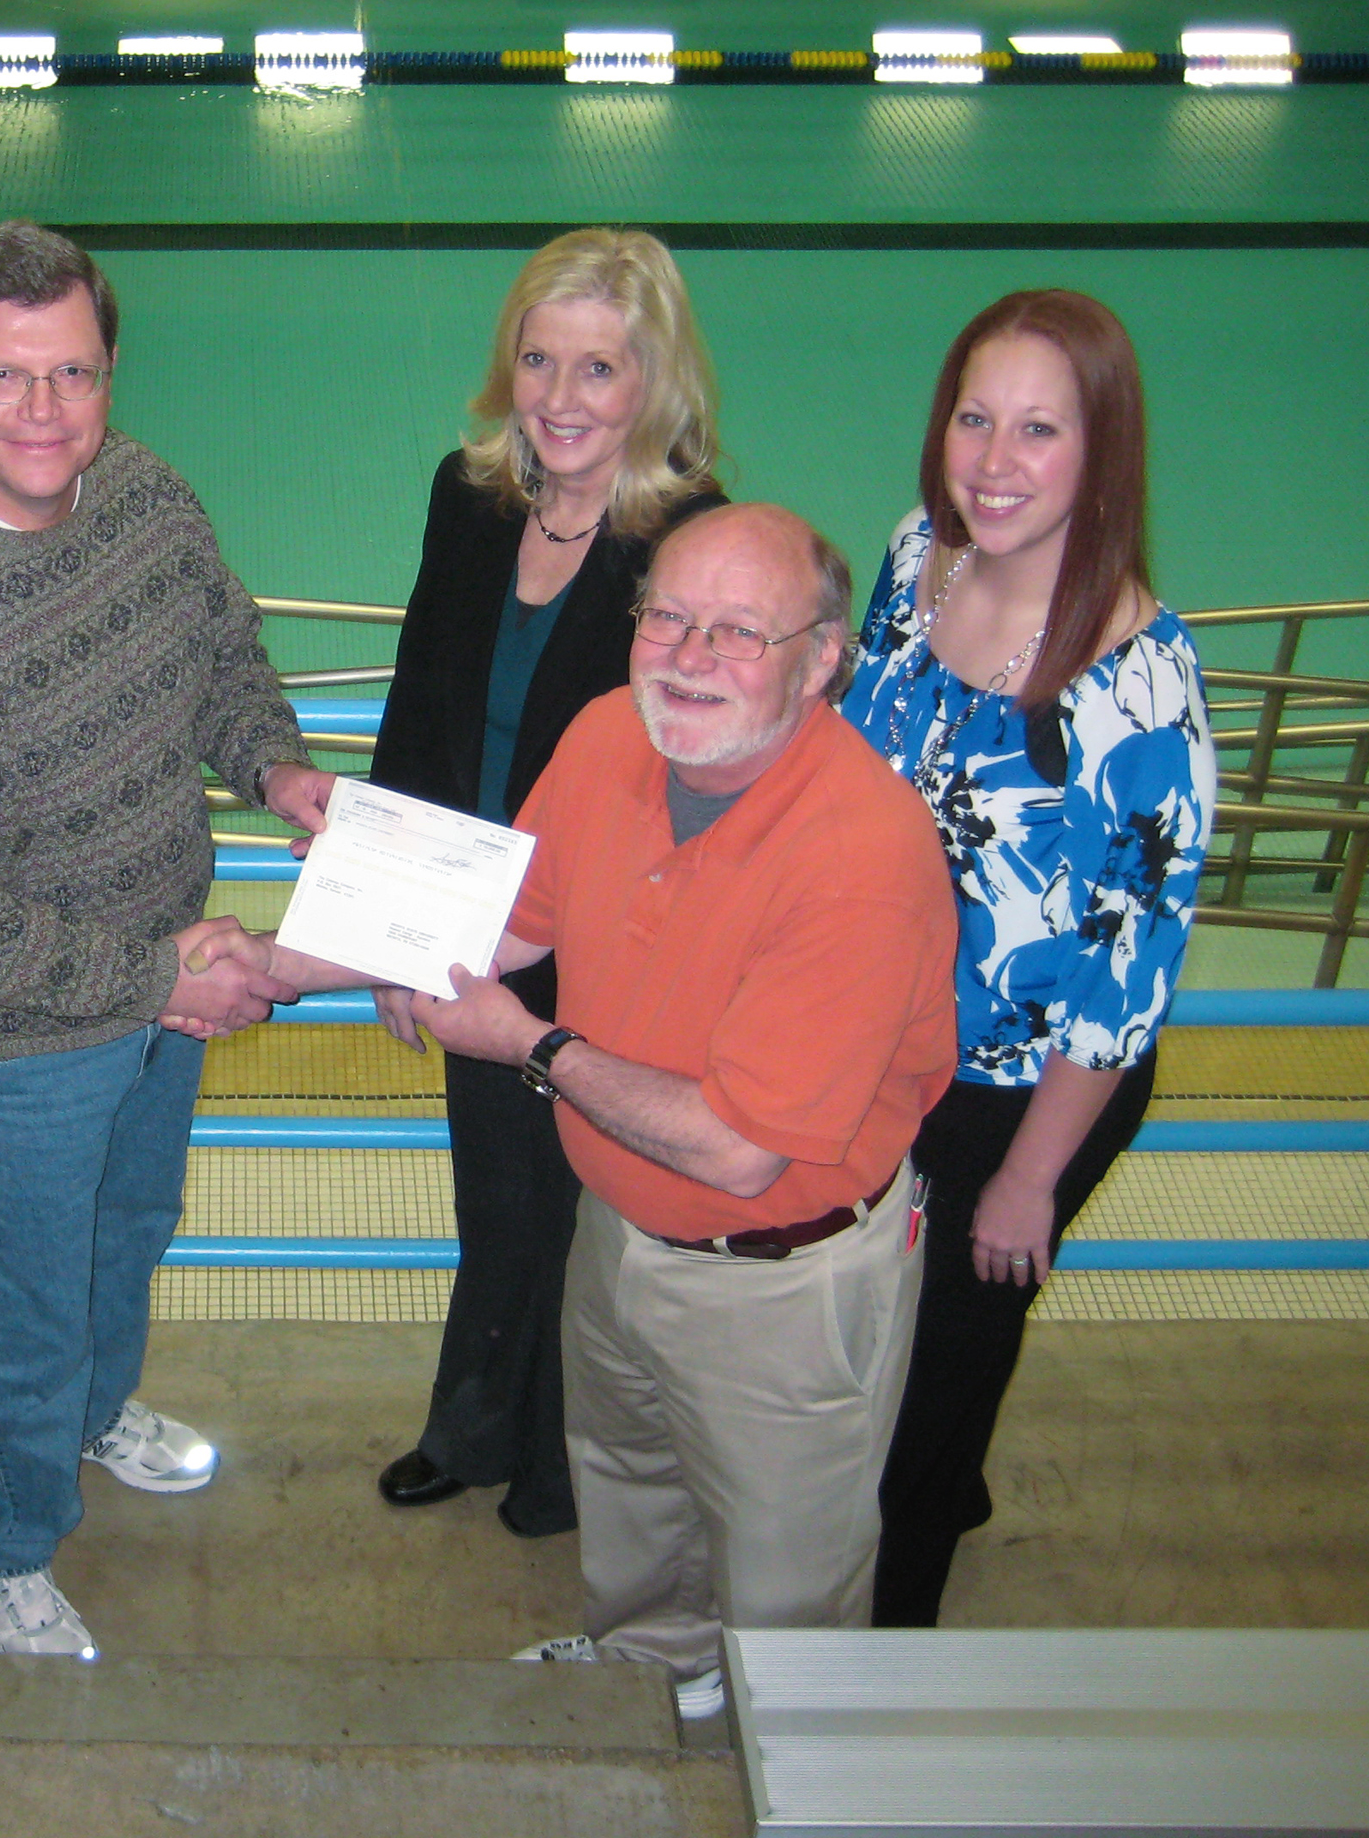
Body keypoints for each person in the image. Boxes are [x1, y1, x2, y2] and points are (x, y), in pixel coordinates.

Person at [232, 503, 957, 1719]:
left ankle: (786, 1742)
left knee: (785, 1576)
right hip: (615, 1228)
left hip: (778, 1280)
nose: (686, 655)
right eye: (667, 615)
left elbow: (737, 1150)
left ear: (823, 658)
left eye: (738, 631)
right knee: (629, 1489)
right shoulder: (614, 733)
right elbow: (498, 927)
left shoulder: (862, 853)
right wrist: (272, 965)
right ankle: (647, 1667)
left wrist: (527, 1044)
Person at [0, 221, 333, 1658]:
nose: (45, 416)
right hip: (16, 1043)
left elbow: (221, 653)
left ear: (107, 374)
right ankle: (5, 1542)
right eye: (4, 380)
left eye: (74, 375)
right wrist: (159, 976)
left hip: (167, 972)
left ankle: (95, 1416)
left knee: (131, 1231)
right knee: (21, 1309)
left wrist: (277, 768)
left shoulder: (140, 492)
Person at [842, 290, 1214, 1625]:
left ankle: (894, 1637)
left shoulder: (1140, 694)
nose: (993, 462)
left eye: (1040, 432)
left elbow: (1122, 994)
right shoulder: (917, 559)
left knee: (941, 1382)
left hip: (1017, 1090)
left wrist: (1027, 1182)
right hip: (886, 1043)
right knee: (878, 1338)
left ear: (1100, 453)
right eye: (975, 418)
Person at [367, 228, 724, 1539]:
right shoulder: (471, 500)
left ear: (655, 384)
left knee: (589, 1218)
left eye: (599, 370)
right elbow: (419, 719)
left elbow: (695, 786)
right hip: (467, 926)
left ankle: (571, 1465)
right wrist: (399, 936)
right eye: (538, 360)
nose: (562, 401)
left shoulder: (693, 540)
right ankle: (471, 1427)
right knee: (495, 1196)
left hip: (614, 955)